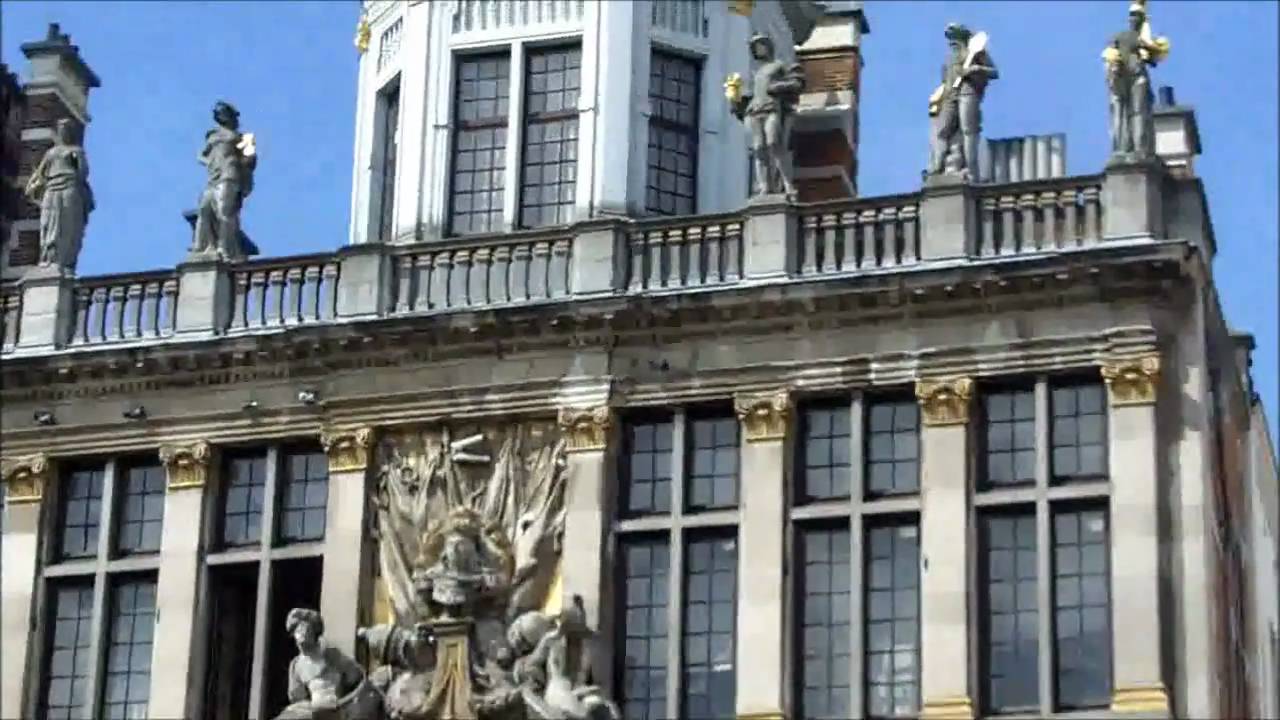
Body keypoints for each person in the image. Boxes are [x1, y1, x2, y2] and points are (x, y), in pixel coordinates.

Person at [728, 34, 805, 197]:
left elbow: (796, 83)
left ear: (768, 46)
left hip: (771, 108)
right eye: (755, 47)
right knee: (758, 149)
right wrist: (735, 99)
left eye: (761, 45)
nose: (759, 49)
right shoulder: (756, 72)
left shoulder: (779, 65)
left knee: (773, 143)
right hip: (754, 111)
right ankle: (764, 186)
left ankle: (787, 184)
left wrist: (777, 87)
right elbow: (748, 94)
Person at [274, 608, 380, 720]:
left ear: (313, 631)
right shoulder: (297, 666)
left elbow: (355, 678)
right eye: (296, 630)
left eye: (304, 629)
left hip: (339, 709)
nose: (300, 635)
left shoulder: (332, 655)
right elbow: (298, 699)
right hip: (314, 714)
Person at [928, 24, 998, 177]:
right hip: (950, 96)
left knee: (968, 130)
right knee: (942, 130)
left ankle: (971, 168)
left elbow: (994, 72)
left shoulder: (976, 53)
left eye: (955, 37)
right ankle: (937, 166)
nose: (952, 42)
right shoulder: (948, 59)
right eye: (950, 39)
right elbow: (945, 80)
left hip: (968, 93)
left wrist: (976, 69)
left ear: (963, 38)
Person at [24, 118, 93, 271]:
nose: (64, 133)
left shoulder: (76, 151)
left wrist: (77, 159)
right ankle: (48, 256)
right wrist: (33, 186)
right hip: (52, 188)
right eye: (61, 130)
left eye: (66, 130)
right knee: (48, 224)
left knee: (67, 223)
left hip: (69, 187)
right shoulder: (51, 153)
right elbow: (40, 174)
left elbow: (83, 172)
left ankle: (62, 259)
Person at [192, 100, 256, 260]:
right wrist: (209, 162)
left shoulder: (245, 137)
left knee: (224, 210)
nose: (221, 116)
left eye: (224, 113)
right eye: (219, 113)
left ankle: (225, 248)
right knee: (205, 209)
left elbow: (250, 159)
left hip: (230, 174)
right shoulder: (212, 135)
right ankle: (202, 247)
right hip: (213, 175)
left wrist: (236, 162)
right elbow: (201, 155)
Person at [1103, 2, 1166, 157]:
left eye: (1137, 17)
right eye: (1133, 16)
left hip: (1137, 75)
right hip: (1123, 76)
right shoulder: (1121, 36)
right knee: (1123, 113)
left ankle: (1139, 148)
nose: (1134, 20)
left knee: (1138, 112)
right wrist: (1114, 68)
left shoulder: (1144, 40)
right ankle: (1125, 148)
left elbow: (1156, 55)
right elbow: (1110, 54)